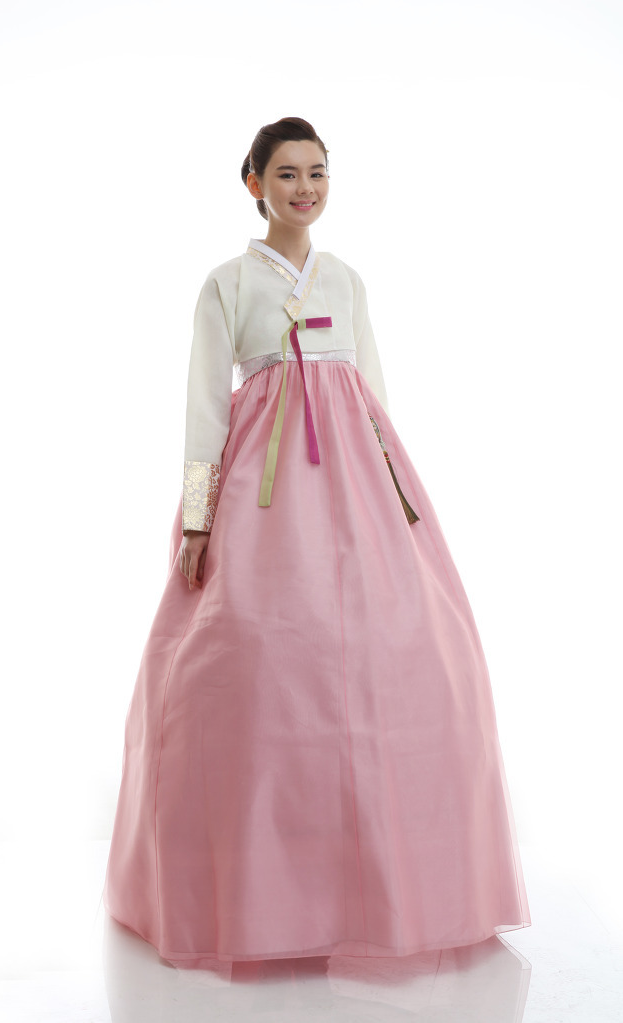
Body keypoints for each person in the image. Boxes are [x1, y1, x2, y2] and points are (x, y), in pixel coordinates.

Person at [102, 116, 531, 965]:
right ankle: (262, 882)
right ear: (254, 183)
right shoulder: (226, 285)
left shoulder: (348, 280)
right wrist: (198, 515)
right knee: (257, 658)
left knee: (393, 651)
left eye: (318, 173)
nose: (305, 188)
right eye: (287, 174)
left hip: (358, 486)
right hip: (265, 496)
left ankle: (380, 874)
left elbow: (374, 396)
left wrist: (397, 497)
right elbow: (204, 408)